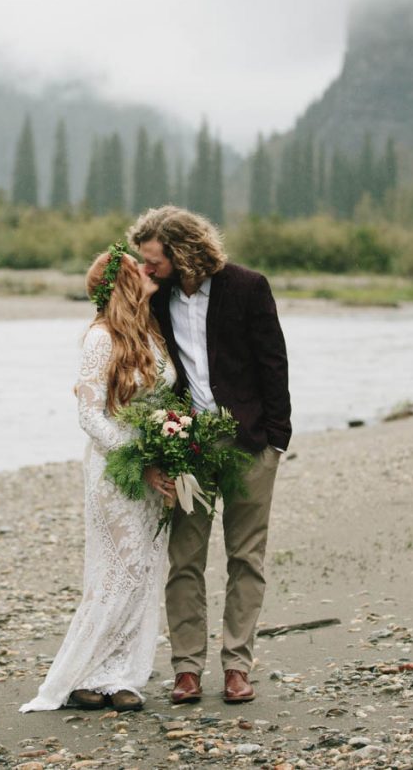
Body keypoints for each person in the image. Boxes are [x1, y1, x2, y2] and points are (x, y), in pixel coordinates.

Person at [128, 206, 291, 705]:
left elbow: (273, 361)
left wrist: (276, 439)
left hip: (249, 444)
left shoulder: (248, 286)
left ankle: (238, 666)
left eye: (152, 260)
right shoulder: (155, 299)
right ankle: (187, 670)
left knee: (246, 558)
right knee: (185, 560)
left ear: (181, 253)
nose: (146, 269)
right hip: (186, 446)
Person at [20, 243, 175, 714]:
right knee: (116, 572)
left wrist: (172, 448)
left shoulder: (150, 333)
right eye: (137, 267)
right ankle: (80, 676)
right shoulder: (100, 339)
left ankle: (122, 676)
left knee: (145, 572)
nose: (148, 269)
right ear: (124, 283)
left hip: (153, 471)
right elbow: (90, 416)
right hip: (116, 470)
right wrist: (139, 460)